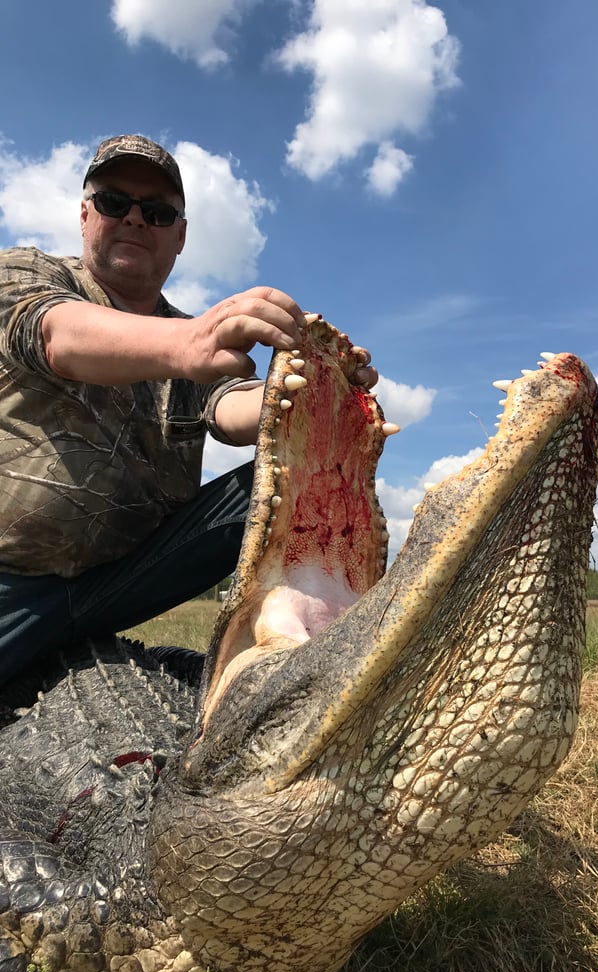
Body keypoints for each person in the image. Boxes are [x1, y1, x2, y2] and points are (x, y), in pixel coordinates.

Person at [0, 134, 377, 684]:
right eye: (113, 202)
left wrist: (310, 395)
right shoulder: (26, 273)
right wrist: (188, 343)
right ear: (85, 214)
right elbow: (56, 334)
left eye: (156, 212)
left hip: (126, 583)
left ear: (179, 237)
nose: (134, 219)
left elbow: (235, 407)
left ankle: (321, 661)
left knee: (282, 482)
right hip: (14, 582)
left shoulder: (198, 341)